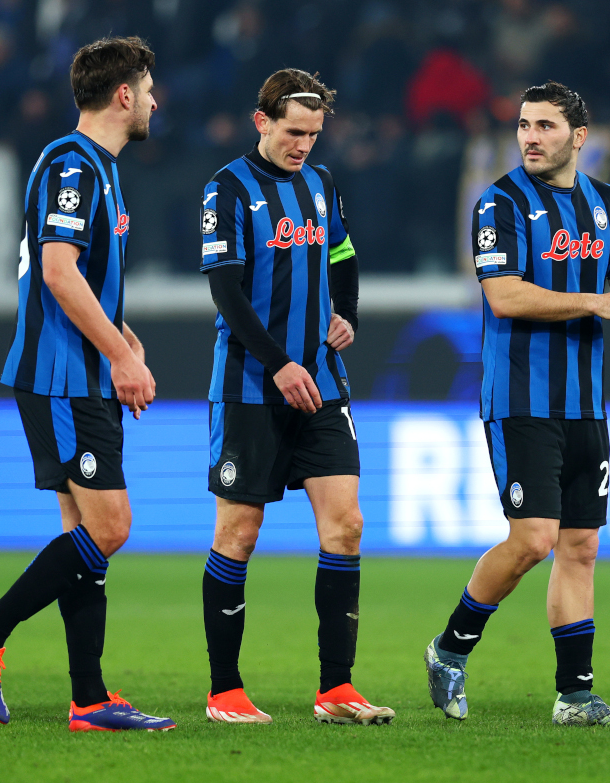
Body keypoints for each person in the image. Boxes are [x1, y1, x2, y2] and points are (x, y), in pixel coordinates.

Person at [0, 37, 174, 732]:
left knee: (82, 534)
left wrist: (124, 338)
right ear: (124, 95)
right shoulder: (71, 165)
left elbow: (87, 278)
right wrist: (120, 356)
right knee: (111, 528)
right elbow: (56, 271)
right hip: (62, 377)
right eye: (150, 87)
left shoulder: (98, 168)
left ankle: (90, 698)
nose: (157, 100)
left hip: (82, 375)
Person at [423, 81, 610, 727]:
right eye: (524, 125)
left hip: (586, 401)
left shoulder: (609, 204)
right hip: (522, 397)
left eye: (545, 126)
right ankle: (450, 648)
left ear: (579, 138)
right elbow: (505, 296)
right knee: (532, 541)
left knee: (580, 545)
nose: (530, 137)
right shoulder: (498, 203)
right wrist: (598, 303)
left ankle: (575, 697)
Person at [199, 69, 393, 726]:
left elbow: (342, 255)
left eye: (313, 133)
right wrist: (278, 362)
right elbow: (226, 290)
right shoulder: (226, 190)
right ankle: (224, 691)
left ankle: (335, 689)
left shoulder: (321, 184)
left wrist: (348, 313)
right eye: (292, 132)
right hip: (251, 387)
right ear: (262, 121)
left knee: (347, 526)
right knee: (238, 532)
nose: (304, 144)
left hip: (322, 382)